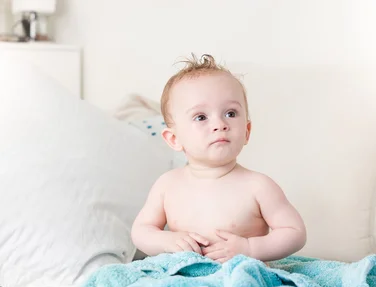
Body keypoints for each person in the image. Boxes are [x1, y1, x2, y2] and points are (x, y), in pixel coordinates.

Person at [131, 54, 306, 263]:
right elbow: (141, 231)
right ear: (174, 139)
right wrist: (167, 241)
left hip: (243, 278)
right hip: (184, 279)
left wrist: (249, 248)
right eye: (201, 117)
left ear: (247, 131)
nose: (220, 124)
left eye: (231, 113)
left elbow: (295, 232)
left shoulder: (258, 186)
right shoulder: (167, 185)